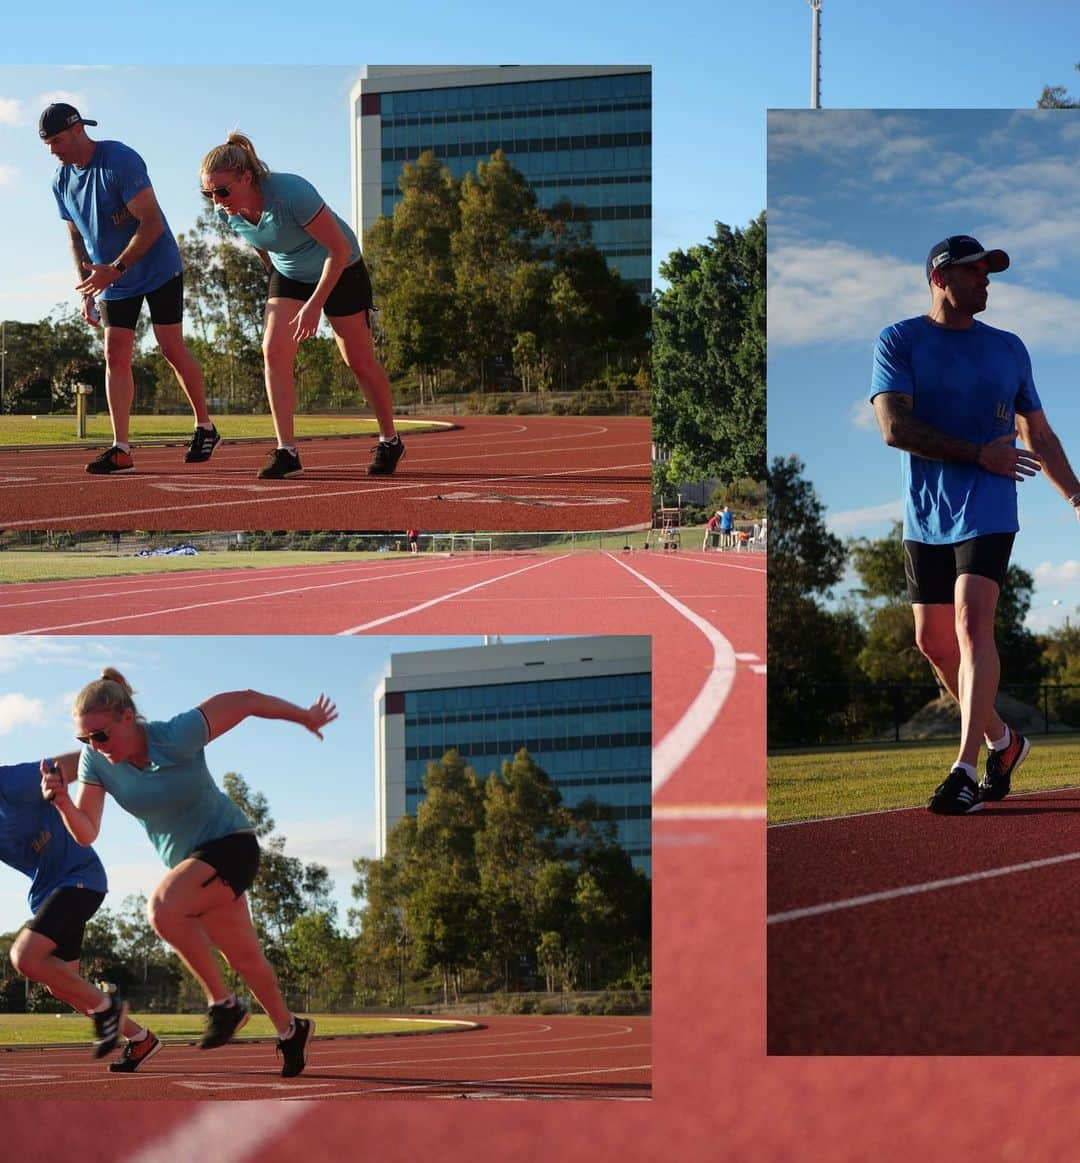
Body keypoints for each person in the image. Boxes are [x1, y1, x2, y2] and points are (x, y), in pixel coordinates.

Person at [870, 234, 1080, 815]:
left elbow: (1038, 435)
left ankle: (964, 769)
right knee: (932, 642)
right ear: (941, 278)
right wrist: (977, 452)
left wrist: (1077, 497)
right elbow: (895, 429)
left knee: (970, 623)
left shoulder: (1009, 348)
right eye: (974, 272)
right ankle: (1004, 742)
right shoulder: (899, 340)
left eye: (989, 272)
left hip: (989, 505)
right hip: (926, 513)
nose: (985, 280)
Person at [47, 668, 338, 1077]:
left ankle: (224, 1004)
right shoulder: (97, 762)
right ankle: (291, 1030)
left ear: (127, 718)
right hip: (191, 866)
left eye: (100, 735)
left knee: (163, 909)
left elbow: (248, 698)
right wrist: (62, 802)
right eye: (85, 739)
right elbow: (87, 833)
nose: (93, 745)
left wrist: (304, 716)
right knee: (245, 958)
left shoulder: (177, 734)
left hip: (231, 843)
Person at [199, 133, 404, 481]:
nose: (217, 202)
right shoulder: (227, 212)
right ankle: (287, 451)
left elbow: (337, 250)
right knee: (273, 350)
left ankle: (390, 440)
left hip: (341, 267)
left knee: (358, 361)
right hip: (290, 272)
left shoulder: (292, 194)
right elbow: (259, 242)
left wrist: (313, 307)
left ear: (246, 178)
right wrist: (274, 277)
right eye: (208, 194)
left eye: (221, 191)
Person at [39, 104, 220, 475]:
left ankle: (205, 424)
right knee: (115, 353)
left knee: (170, 347)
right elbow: (76, 239)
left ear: (77, 130)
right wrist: (88, 286)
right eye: (46, 144)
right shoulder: (61, 181)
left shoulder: (119, 160)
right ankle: (121, 448)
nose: (52, 150)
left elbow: (151, 223)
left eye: (56, 141)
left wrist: (116, 268)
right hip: (109, 278)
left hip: (156, 267)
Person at [2, 752, 162, 1071]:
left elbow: (76, 761)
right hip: (50, 895)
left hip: (79, 879)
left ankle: (109, 1010)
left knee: (26, 957)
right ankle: (141, 1038)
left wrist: (120, 751)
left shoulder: (8, 782)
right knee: (64, 987)